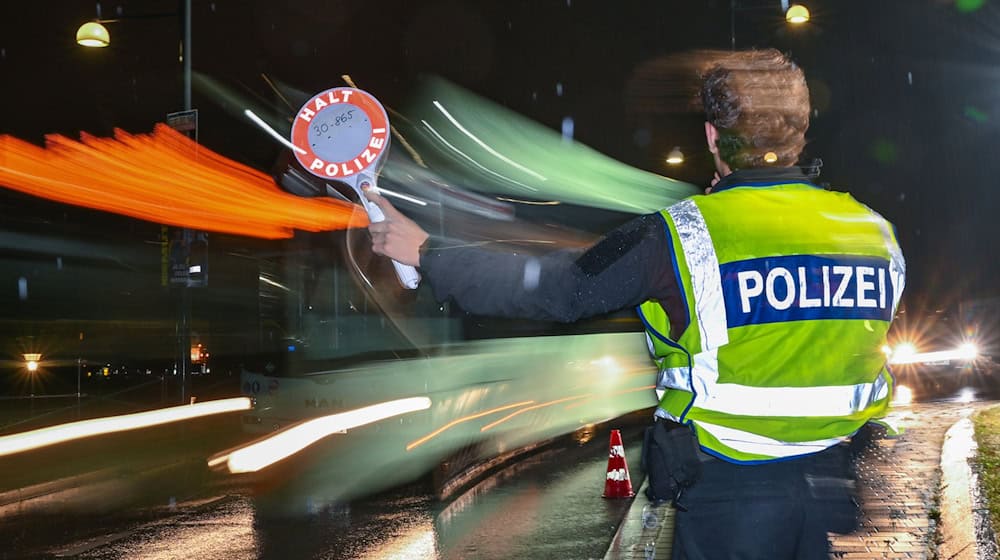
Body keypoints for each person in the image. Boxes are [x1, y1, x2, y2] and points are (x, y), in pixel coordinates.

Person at [365, 48, 905, 559]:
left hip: (732, 501)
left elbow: (558, 290)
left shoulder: (685, 235)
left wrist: (429, 253)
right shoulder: (872, 231)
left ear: (713, 136)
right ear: (801, 133)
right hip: (831, 491)